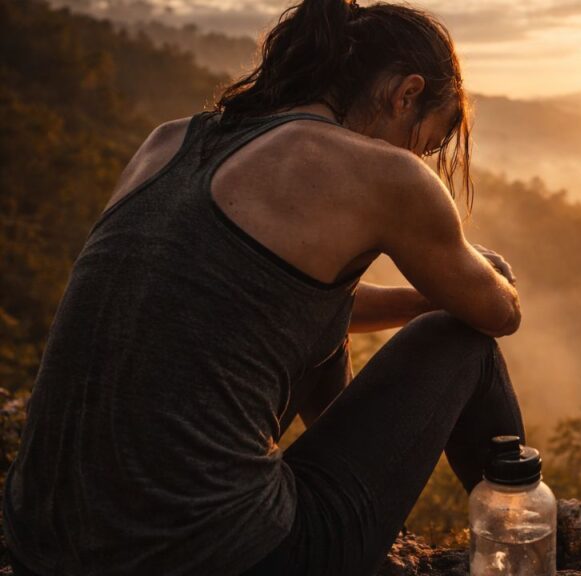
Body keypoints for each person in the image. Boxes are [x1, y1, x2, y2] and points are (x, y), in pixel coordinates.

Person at [2, 0, 527, 574]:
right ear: (406, 94)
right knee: (461, 340)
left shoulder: (167, 143)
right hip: (221, 558)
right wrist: (481, 273)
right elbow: (497, 314)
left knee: (335, 316)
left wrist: (425, 293)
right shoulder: (385, 174)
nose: (417, 158)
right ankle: (524, 533)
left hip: (42, 549)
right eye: (426, 142)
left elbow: (261, 304)